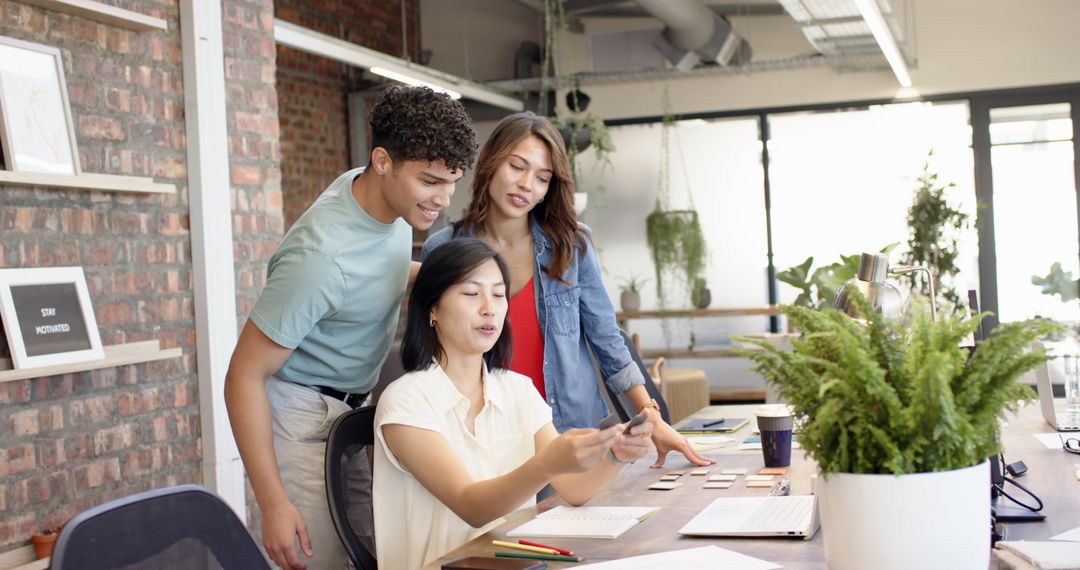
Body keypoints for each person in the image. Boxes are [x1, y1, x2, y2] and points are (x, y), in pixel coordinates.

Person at [225, 86, 477, 570]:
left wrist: (450, 283)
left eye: (451, 182)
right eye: (430, 181)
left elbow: (375, 264)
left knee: (370, 556)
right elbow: (243, 377)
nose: (442, 201)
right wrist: (273, 503)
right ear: (383, 160)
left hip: (352, 409)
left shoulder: (385, 200)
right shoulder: (319, 257)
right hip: (300, 417)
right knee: (318, 562)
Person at [423, 111, 711, 468]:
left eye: (542, 178)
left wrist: (651, 415)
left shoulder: (571, 245)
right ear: (490, 161)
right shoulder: (443, 249)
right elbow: (432, 352)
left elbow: (606, 338)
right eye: (517, 166)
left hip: (568, 431)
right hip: (482, 435)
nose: (527, 185)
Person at [374, 238, 654, 569]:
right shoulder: (405, 401)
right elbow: (471, 506)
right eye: (470, 293)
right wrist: (546, 464)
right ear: (432, 308)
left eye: (498, 294)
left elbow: (573, 488)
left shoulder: (517, 389)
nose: (488, 307)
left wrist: (615, 454)